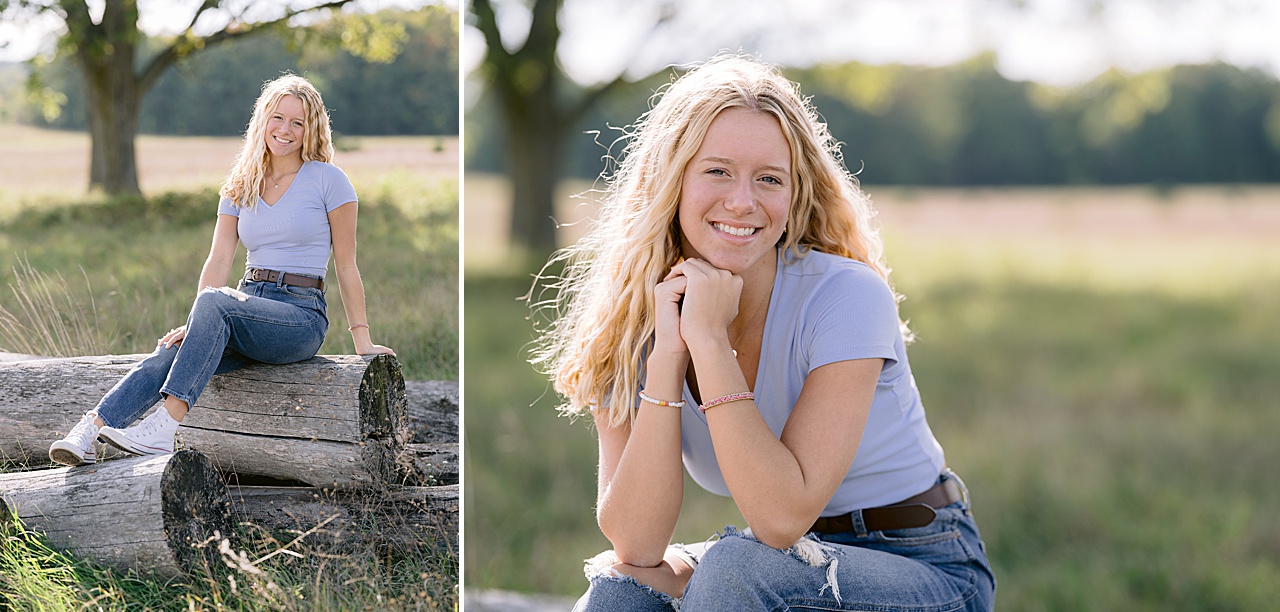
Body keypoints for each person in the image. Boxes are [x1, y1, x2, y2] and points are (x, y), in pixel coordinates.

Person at [530, 54, 995, 611]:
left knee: (738, 572)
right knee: (619, 592)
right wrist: (669, 352)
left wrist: (708, 341)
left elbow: (779, 519)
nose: (743, 201)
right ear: (670, 181)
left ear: (794, 193)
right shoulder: (633, 317)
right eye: (718, 170)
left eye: (768, 179)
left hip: (923, 564)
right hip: (783, 563)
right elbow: (635, 542)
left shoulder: (844, 296)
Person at [49, 74, 394, 466]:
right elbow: (218, 259)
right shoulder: (240, 183)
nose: (285, 130)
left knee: (215, 303)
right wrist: (196, 322)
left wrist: (361, 339)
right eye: (278, 118)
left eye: (297, 123)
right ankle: (89, 431)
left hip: (299, 316)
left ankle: (164, 428)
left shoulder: (329, 180)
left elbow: (347, 266)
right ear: (263, 119)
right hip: (244, 304)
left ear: (311, 129)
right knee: (168, 353)